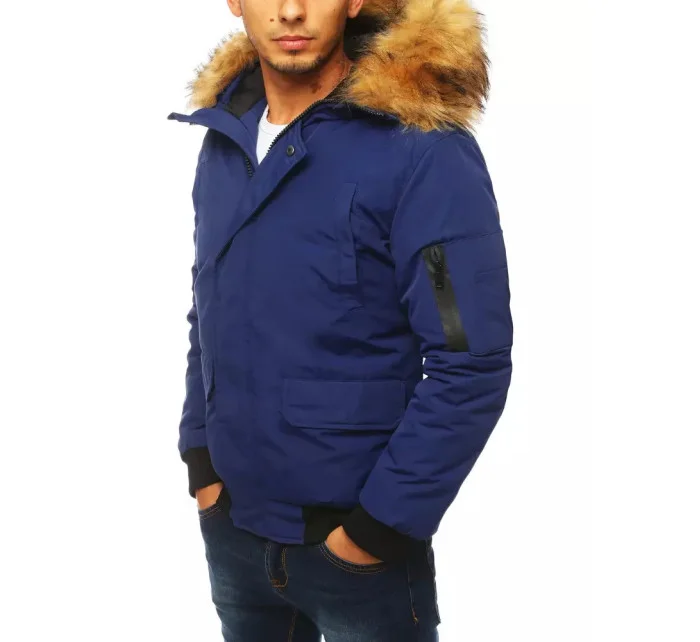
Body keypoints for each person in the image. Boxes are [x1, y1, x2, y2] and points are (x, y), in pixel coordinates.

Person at [167, 0, 513, 639]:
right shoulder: (225, 138)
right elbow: (206, 306)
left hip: (359, 553)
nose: (291, 11)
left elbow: (469, 357)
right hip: (235, 535)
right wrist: (201, 462)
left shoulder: (422, 149)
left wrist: (377, 530)